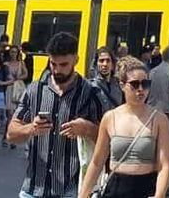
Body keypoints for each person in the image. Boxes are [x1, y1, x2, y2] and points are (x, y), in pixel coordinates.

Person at [6, 31, 103, 198]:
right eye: (53, 64)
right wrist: (31, 128)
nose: (57, 70)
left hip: (71, 190)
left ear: (76, 59)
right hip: (33, 189)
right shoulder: (35, 90)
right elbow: (11, 134)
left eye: (63, 64)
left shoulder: (90, 93)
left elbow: (106, 140)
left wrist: (87, 129)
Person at [79, 56, 169, 198]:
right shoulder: (110, 117)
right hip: (115, 188)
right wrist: (83, 194)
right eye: (134, 84)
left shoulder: (159, 119)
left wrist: (159, 195)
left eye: (145, 84)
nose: (141, 90)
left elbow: (164, 165)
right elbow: (97, 162)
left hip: (146, 188)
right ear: (122, 85)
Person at [147, 48, 169, 193]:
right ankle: (166, 184)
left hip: (150, 115)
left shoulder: (153, 72)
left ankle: (153, 181)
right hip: (167, 117)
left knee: (154, 150)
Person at [5, 46, 29, 132]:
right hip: (9, 88)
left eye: (15, 52)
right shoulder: (6, 64)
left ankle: (11, 133)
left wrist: (19, 77)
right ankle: (7, 133)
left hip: (18, 88)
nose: (13, 54)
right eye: (11, 52)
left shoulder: (21, 63)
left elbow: (26, 74)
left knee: (16, 114)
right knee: (10, 113)